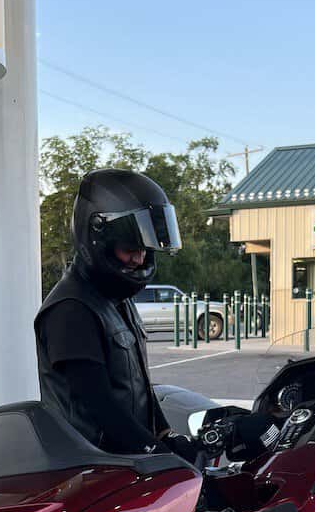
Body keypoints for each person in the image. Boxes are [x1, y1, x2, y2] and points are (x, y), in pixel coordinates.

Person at [35, 169, 196, 459]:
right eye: (129, 248)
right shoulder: (72, 309)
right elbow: (100, 407)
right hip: (91, 468)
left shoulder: (116, 299)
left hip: (125, 462)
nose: (140, 258)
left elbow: (139, 389)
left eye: (144, 249)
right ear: (98, 238)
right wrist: (158, 455)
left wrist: (166, 435)